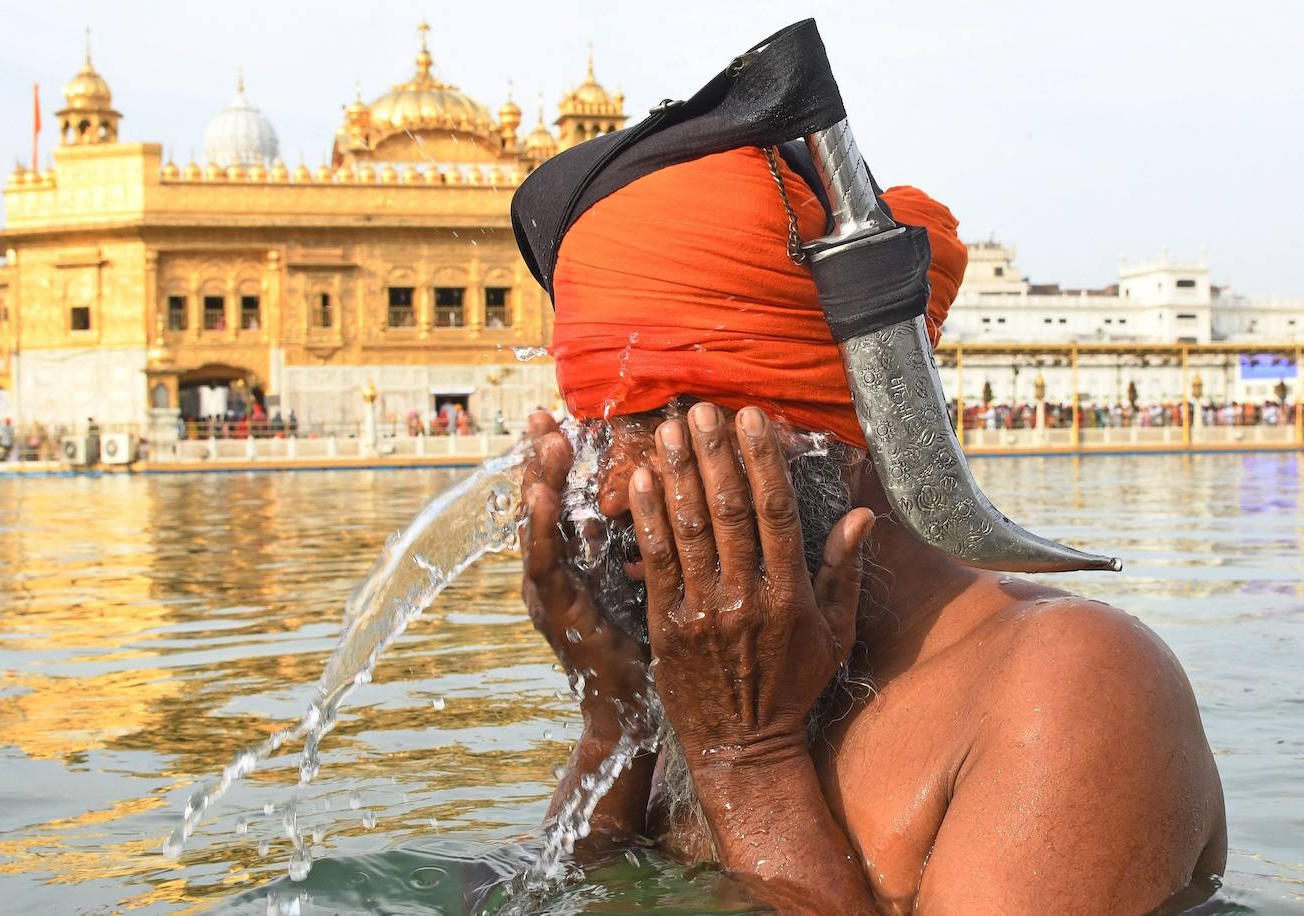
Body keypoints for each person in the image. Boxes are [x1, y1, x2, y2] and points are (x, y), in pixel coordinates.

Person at [515, 144, 1225, 913]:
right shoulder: (712, 668)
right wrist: (620, 716)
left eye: (655, 427)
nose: (609, 494)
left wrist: (747, 761)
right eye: (596, 437)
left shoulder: (1067, 685)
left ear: (827, 430)